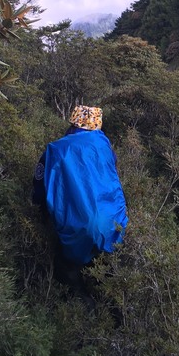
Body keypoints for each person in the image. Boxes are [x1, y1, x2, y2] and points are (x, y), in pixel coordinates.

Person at [33, 105, 128, 290]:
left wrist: (41, 213)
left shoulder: (55, 150)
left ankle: (75, 297)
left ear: (73, 122)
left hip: (78, 226)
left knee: (67, 266)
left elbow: (39, 187)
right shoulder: (106, 147)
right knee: (105, 268)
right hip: (113, 222)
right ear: (97, 125)